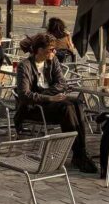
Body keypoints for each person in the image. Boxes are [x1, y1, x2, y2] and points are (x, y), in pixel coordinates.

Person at [15, 33, 98, 173]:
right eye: (51, 49)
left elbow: (62, 83)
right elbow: (25, 95)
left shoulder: (52, 61)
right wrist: (48, 98)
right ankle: (79, 154)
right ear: (40, 50)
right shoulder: (25, 66)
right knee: (67, 108)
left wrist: (47, 93)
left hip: (51, 101)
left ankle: (80, 152)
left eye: (54, 49)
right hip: (34, 108)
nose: (54, 52)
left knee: (77, 103)